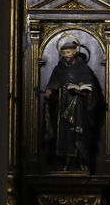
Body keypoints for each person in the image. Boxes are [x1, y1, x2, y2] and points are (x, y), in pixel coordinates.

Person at [41, 36, 104, 170]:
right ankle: (64, 162)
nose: (66, 55)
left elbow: (92, 90)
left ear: (75, 52)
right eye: (63, 53)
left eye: (68, 52)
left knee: (79, 135)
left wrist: (82, 90)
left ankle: (82, 162)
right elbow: (52, 84)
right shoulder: (59, 68)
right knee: (63, 136)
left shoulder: (83, 68)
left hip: (80, 108)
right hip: (62, 108)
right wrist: (49, 92)